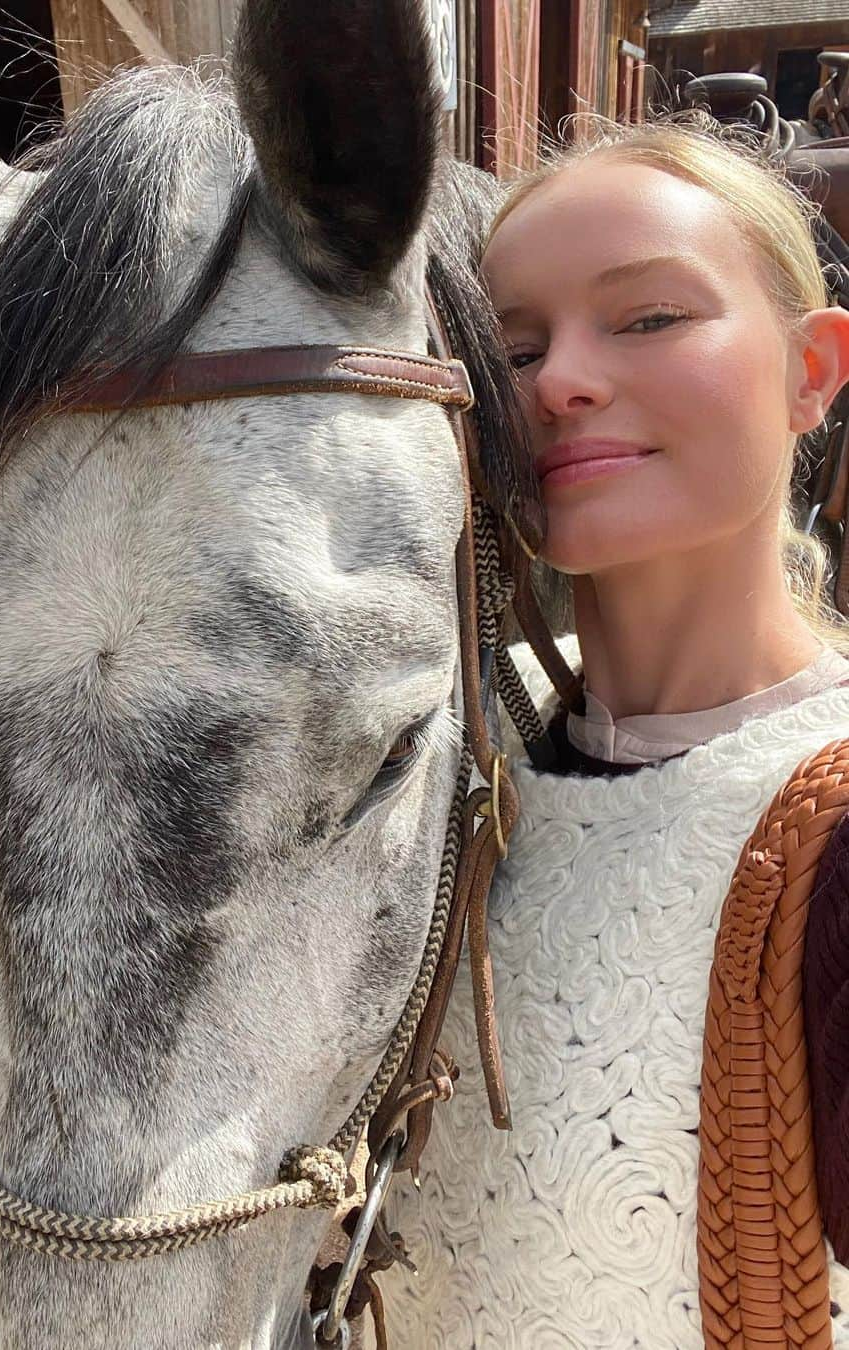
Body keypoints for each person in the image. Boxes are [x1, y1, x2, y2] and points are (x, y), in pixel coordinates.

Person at [382, 116, 849, 1348]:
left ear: (814, 371)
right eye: (513, 345)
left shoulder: (831, 841)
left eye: (647, 319)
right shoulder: (445, 779)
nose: (557, 381)